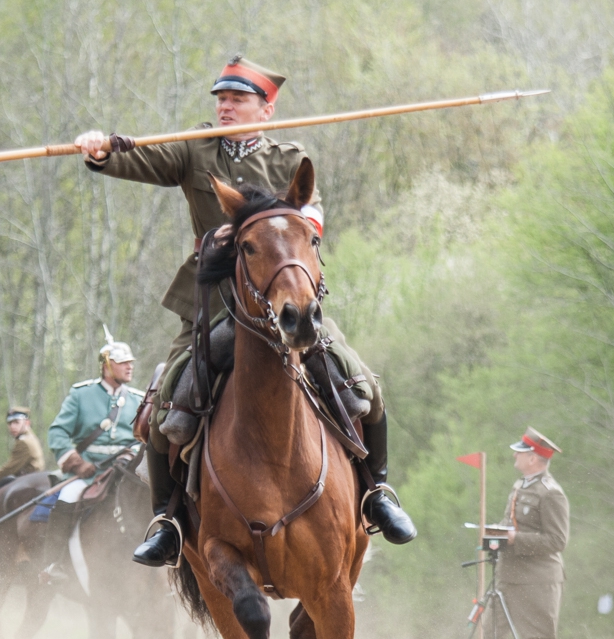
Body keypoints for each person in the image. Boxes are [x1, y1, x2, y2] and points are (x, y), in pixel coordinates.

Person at [75, 55, 415, 567]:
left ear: (266, 109)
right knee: (165, 400)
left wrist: (288, 233)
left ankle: (377, 493)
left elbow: (312, 217)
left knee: (360, 381)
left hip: (282, 297)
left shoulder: (289, 156)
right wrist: (103, 152)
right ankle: (167, 520)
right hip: (213, 301)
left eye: (237, 99)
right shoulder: (196, 148)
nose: (225, 106)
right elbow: (144, 160)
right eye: (220, 99)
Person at [41, 337, 144, 580]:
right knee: (66, 498)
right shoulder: (81, 395)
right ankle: (54, 564)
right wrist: (77, 463)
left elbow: (144, 438)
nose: (130, 367)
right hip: (89, 473)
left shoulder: (139, 400)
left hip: (128, 472)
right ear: (107, 366)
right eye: (122, 362)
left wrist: (132, 455)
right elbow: (57, 432)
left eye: (131, 362)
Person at [487, 427, 570, 639]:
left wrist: (515, 538)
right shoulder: (519, 486)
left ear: (534, 458)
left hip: (538, 579)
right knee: (490, 635)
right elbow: (510, 522)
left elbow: (557, 540)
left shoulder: (551, 494)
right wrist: (495, 532)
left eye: (521, 453)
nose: (515, 456)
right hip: (508, 576)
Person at [0, 406, 45, 494]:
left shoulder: (24, 442)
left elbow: (9, 469)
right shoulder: (30, 438)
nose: (12, 426)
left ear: (27, 423)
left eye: (16, 422)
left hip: (28, 486)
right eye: (10, 423)